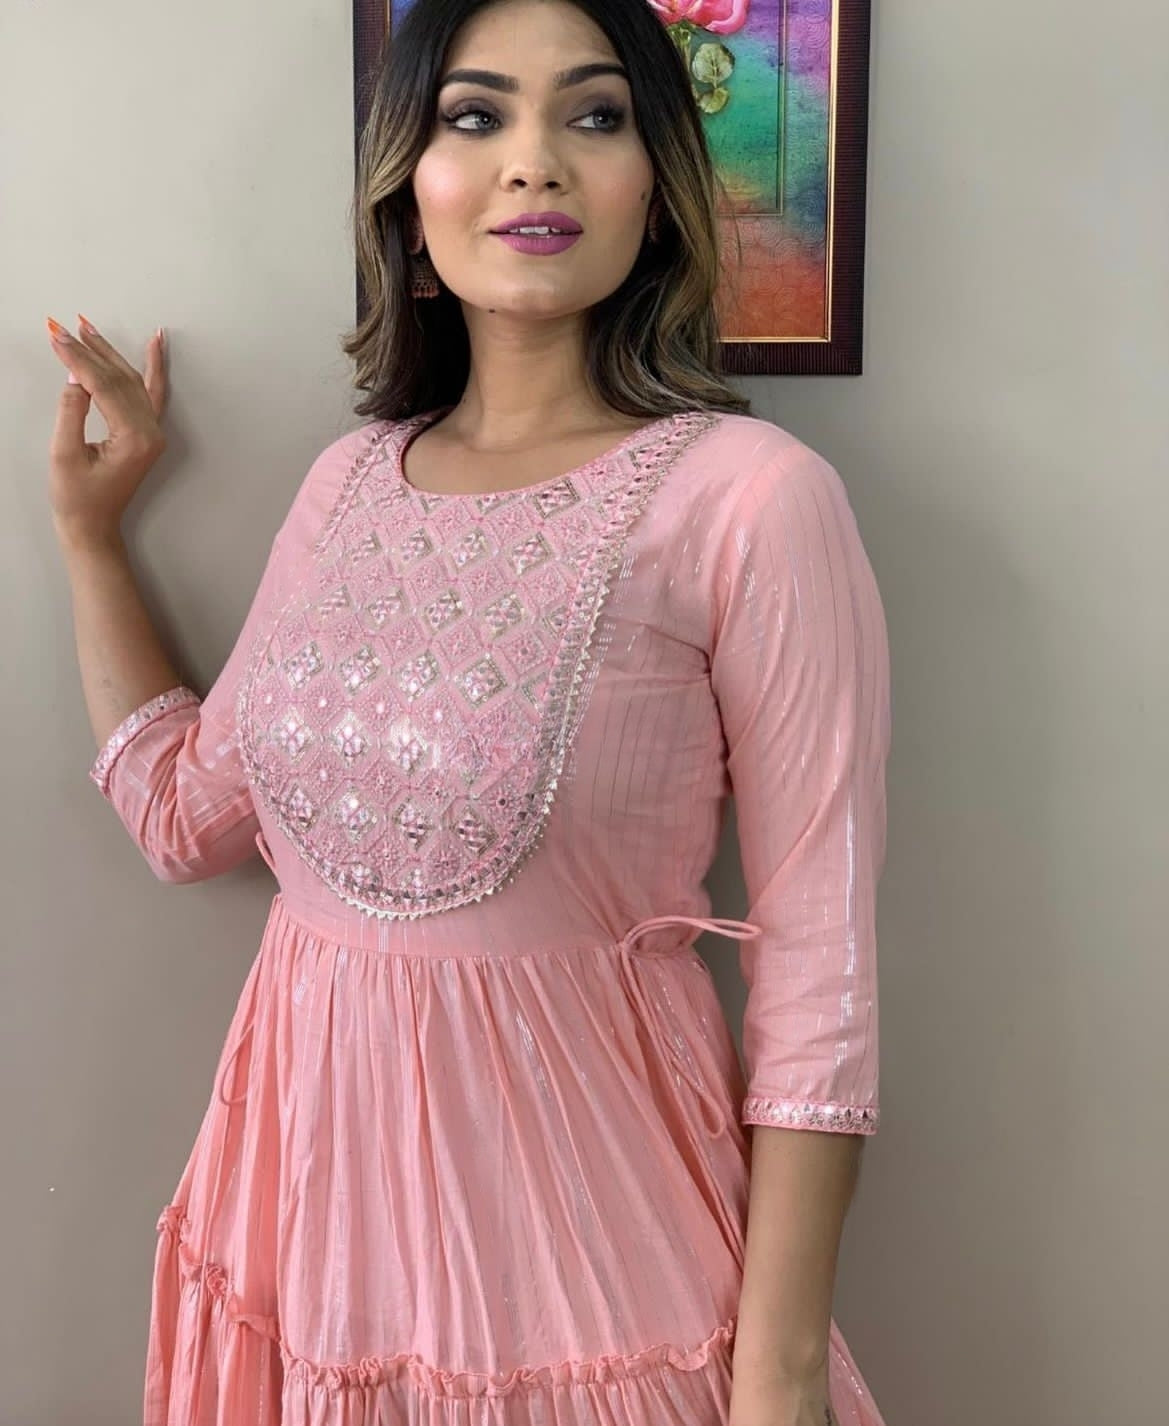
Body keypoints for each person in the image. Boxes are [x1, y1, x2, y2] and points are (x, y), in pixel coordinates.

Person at [45, 1, 891, 1422]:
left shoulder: (750, 499)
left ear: (657, 186)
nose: (533, 161)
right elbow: (187, 818)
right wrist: (89, 538)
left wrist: (782, 1372)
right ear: (409, 187)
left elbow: (821, 966)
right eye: (475, 114)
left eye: (596, 115)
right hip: (306, 1256)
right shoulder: (346, 484)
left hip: (588, 1276)